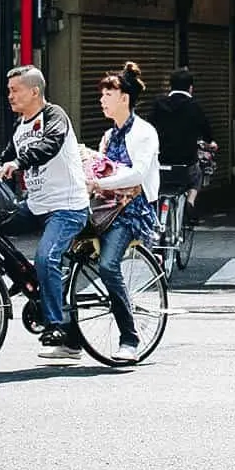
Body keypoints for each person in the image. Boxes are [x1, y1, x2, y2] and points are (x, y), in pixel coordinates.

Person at [0, 64, 90, 360]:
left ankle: (56, 324)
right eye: (8, 90)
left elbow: (51, 144)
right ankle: (25, 277)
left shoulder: (53, 116)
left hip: (67, 207)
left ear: (34, 91)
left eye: (15, 90)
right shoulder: (20, 126)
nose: (9, 95)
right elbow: (4, 158)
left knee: (46, 256)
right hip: (36, 206)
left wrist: (19, 163)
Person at [89, 62, 161, 364]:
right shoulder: (108, 136)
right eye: (102, 94)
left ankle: (129, 337)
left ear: (125, 98)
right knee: (59, 253)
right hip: (104, 208)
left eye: (109, 94)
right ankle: (65, 332)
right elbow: (99, 168)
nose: (103, 100)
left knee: (108, 266)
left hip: (132, 211)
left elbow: (138, 174)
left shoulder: (144, 133)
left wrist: (99, 181)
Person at [149, 67, 215, 219]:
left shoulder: (158, 104)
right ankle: (190, 202)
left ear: (170, 86)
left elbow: (149, 126)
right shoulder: (194, 106)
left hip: (160, 160)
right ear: (190, 88)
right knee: (197, 174)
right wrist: (210, 142)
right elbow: (206, 129)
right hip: (185, 162)